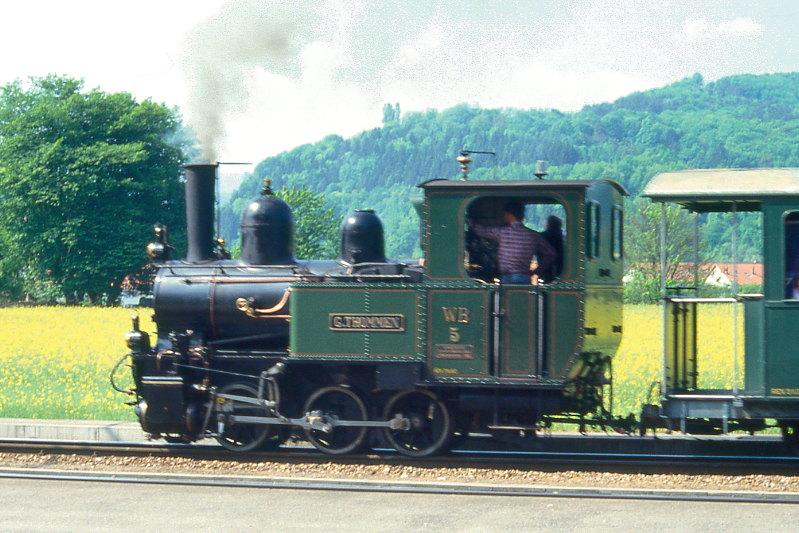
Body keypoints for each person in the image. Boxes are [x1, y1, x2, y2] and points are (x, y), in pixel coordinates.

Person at [468, 201, 556, 284]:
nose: (504, 216)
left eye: (505, 214)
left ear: (509, 214)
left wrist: (470, 221)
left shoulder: (502, 232)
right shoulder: (533, 235)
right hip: (524, 277)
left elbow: (481, 231)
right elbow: (551, 254)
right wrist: (536, 271)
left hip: (507, 278)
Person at [541, 215, 564, 281]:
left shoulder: (543, 236)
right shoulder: (562, 237)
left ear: (548, 224)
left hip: (546, 270)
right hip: (561, 269)